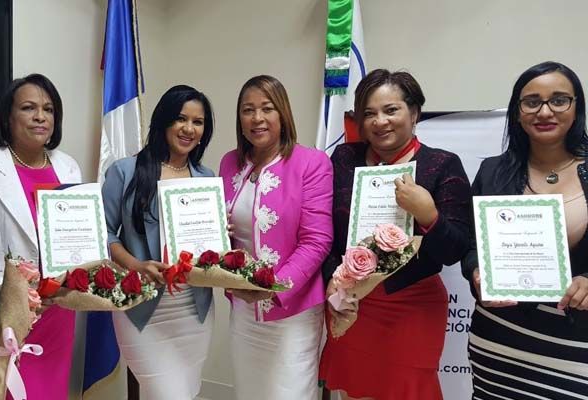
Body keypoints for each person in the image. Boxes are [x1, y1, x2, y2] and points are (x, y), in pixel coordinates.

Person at [319, 69, 472, 400]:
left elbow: (456, 249)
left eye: (391, 110)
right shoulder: (345, 159)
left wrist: (428, 215)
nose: (380, 122)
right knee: (353, 391)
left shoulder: (442, 164)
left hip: (412, 306)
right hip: (351, 302)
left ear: (414, 112)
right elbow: (325, 230)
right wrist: (333, 280)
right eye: (369, 113)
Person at [461, 61, 588, 399]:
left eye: (559, 100)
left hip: (577, 343)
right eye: (532, 102)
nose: (544, 111)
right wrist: (477, 272)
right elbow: (471, 245)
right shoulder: (493, 172)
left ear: (576, 107)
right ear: (517, 112)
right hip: (499, 336)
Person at [0, 73, 82, 400]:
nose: (40, 116)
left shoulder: (68, 166)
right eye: (28, 108)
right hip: (6, 307)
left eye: (48, 109)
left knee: (51, 392)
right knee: (8, 390)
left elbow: (77, 235)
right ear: (7, 117)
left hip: (59, 306)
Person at [218, 75, 333, 400]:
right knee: (248, 392)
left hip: (293, 313)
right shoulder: (229, 162)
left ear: (283, 113)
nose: (257, 118)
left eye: (267, 108)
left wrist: (272, 287)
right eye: (248, 110)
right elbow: (223, 234)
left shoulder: (312, 163)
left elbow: (317, 240)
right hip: (244, 310)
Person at [102, 85, 216, 400]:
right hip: (142, 307)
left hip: (195, 308)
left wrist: (220, 231)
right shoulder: (124, 171)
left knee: (187, 392)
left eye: (198, 122)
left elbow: (211, 246)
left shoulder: (206, 178)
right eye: (181, 118)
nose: (189, 129)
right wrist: (135, 265)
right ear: (163, 120)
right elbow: (103, 231)